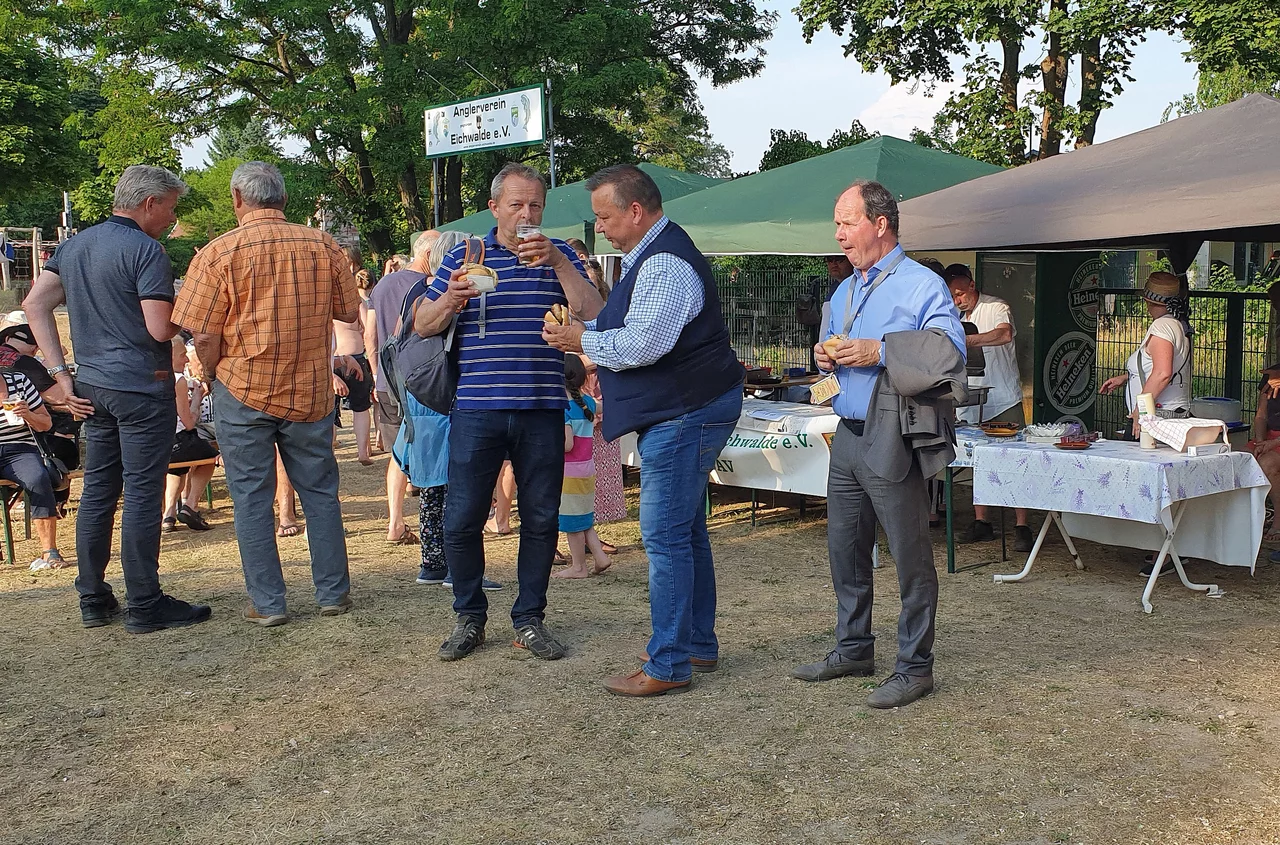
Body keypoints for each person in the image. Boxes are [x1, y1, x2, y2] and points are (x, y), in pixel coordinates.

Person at [544, 164, 744, 697]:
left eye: (604, 216)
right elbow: (626, 326)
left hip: (686, 410)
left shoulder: (664, 264)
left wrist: (580, 342)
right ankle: (694, 643)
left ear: (635, 211)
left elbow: (642, 344)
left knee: (664, 535)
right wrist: (583, 329)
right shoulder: (653, 256)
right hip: (688, 406)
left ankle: (669, 663)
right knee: (685, 530)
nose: (599, 226)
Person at [413, 162, 602, 662]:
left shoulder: (559, 255)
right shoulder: (466, 255)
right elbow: (422, 324)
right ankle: (469, 617)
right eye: (516, 204)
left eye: (535, 205)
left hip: (542, 408)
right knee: (461, 519)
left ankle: (529, 619)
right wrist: (450, 298)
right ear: (494, 207)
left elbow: (593, 311)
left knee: (540, 519)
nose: (526, 214)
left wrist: (559, 262)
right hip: (477, 408)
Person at [789, 180, 965, 709]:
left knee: (910, 555)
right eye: (837, 224)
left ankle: (915, 667)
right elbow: (836, 357)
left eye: (847, 223)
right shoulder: (844, 290)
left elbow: (949, 353)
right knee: (844, 549)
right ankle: (853, 648)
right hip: (846, 432)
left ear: (880, 224)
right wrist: (824, 356)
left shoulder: (921, 285)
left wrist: (880, 350)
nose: (839, 234)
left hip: (892, 431)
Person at [25, 164, 212, 633]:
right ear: (150, 203)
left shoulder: (73, 246)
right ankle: (145, 602)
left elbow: (34, 304)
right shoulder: (147, 250)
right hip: (142, 386)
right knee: (144, 493)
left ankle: (93, 598)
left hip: (92, 386)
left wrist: (60, 374)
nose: (172, 219)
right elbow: (159, 328)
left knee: (98, 491)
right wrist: (193, 315)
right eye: (171, 209)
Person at [174, 161, 359, 627]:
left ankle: (269, 603)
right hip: (309, 389)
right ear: (284, 199)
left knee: (251, 499)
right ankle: (333, 594)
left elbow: (203, 333)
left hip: (242, 389)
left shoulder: (216, 253)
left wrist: (211, 372)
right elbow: (348, 313)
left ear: (238, 199)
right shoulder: (324, 245)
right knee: (320, 493)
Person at [392, 231, 503, 591]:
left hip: (422, 394)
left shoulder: (416, 291)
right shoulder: (460, 293)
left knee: (431, 485)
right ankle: (461, 569)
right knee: (463, 486)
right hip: (452, 393)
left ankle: (433, 563)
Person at [945, 263, 1033, 553]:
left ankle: (1022, 524)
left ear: (972, 285)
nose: (958, 300)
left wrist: (968, 340)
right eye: (952, 296)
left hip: (1002, 397)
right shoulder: (953, 315)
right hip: (970, 398)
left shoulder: (996, 307)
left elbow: (1004, 334)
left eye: (960, 293)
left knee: (1016, 461)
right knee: (977, 463)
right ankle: (982, 521)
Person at [368, 230, 438, 544]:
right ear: (429, 254)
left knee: (397, 455)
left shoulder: (383, 285)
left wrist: (376, 374)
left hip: (388, 380)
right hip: (421, 383)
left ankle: (395, 521)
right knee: (430, 450)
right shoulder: (429, 286)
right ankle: (432, 524)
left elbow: (370, 334)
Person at [1099, 272, 1193, 437]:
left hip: (1156, 417)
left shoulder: (1162, 326)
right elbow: (1163, 367)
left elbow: (1162, 373)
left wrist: (1140, 410)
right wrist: (1128, 377)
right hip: (1171, 414)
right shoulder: (1176, 325)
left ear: (1148, 301)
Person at [0, 365, 66, 569]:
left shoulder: (18, 381)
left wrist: (27, 414)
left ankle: (50, 551)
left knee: (37, 478)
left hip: (20, 448)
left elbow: (46, 424)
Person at [553, 354, 612, 579]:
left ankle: (578, 566)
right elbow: (604, 407)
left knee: (571, 522)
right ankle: (600, 556)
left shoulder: (563, 408)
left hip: (569, 473)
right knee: (583, 516)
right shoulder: (586, 402)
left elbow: (567, 445)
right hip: (587, 468)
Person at [162, 339, 218, 532]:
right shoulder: (178, 380)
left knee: (178, 468)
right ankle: (191, 505)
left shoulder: (149, 377)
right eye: (182, 355)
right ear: (169, 357)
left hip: (156, 443)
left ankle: (168, 514)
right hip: (178, 441)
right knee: (211, 457)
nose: (186, 360)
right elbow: (188, 423)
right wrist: (197, 398)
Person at [334, 245, 374, 465]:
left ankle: (333, 448)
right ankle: (362, 452)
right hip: (353, 356)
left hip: (335, 358)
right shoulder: (355, 298)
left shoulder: (327, 294)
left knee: (330, 410)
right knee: (361, 408)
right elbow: (368, 329)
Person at [1249, 366, 1280, 542]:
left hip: (1277, 441)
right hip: (1269, 437)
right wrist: (1260, 443)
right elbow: (1261, 416)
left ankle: (1278, 520)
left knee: (1267, 464)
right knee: (1241, 458)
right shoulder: (1272, 375)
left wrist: (1274, 443)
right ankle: (1248, 517)